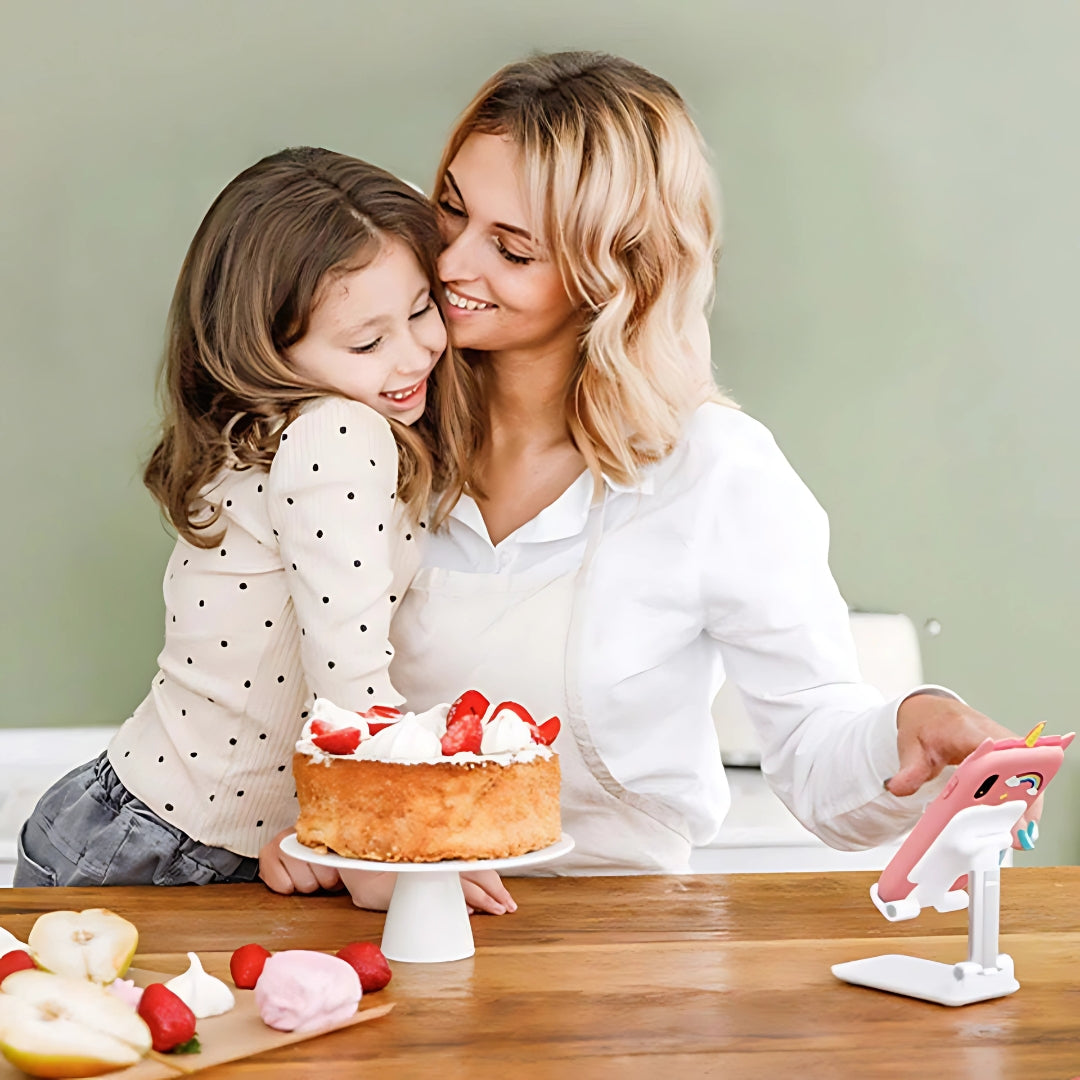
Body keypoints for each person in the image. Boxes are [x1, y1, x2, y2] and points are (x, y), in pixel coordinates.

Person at [383, 51, 1039, 888]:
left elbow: (817, 756)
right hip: (385, 908)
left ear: (613, 274)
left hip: (617, 932)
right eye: (450, 209)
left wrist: (913, 724)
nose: (450, 265)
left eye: (512, 249)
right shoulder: (374, 427)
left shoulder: (715, 471)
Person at [14, 147, 512, 913]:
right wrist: (381, 851)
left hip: (147, 826)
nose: (415, 353)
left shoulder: (298, 424)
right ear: (269, 350)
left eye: (421, 310)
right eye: (367, 342)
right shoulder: (340, 433)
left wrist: (312, 830)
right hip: (158, 851)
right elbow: (348, 672)